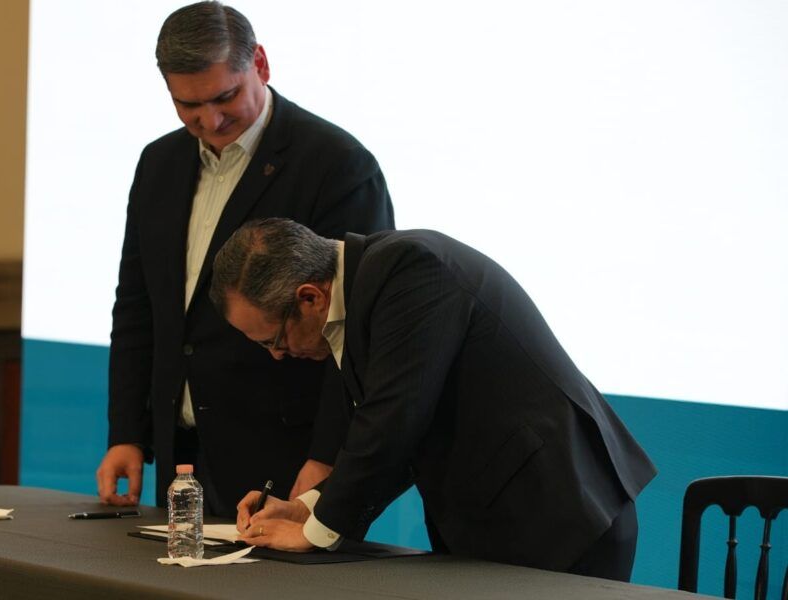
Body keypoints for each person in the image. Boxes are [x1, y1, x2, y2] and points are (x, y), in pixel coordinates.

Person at [209, 218, 657, 581]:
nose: (278, 356)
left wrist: (316, 531)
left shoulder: (408, 268)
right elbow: (402, 434)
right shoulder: (369, 288)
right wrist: (305, 507)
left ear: (309, 297)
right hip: (502, 521)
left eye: (273, 340)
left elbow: (393, 422)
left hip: (558, 513)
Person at [96, 2, 395, 517]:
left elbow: (358, 327)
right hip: (182, 450)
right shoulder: (159, 163)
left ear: (260, 63)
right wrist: (128, 431)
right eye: (187, 104)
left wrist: (328, 456)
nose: (209, 120)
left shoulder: (338, 165)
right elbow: (138, 304)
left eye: (225, 97)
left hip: (287, 454)